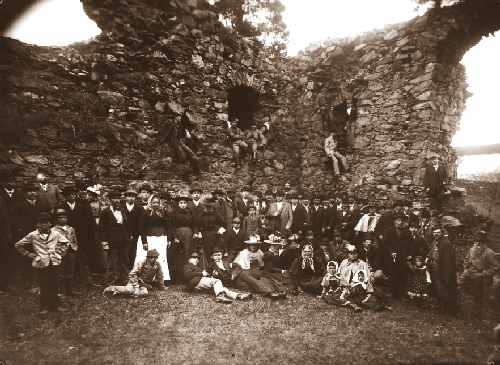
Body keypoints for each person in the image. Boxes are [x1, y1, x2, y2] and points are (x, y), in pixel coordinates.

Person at [15, 212, 70, 314]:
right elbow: (18, 245)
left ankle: (55, 305)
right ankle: (44, 306)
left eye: (46, 222)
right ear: (37, 224)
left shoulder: (56, 234)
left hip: (54, 262)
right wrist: (28, 254)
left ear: (50, 224)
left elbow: (66, 243)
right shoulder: (33, 235)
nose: (44, 225)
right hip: (41, 263)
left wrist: (60, 253)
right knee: (44, 284)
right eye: (41, 223)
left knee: (54, 283)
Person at [183, 252, 251, 303]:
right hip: (195, 282)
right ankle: (220, 297)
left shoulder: (197, 267)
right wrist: (201, 273)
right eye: (194, 258)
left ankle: (238, 296)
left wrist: (210, 276)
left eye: (197, 258)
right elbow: (187, 275)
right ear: (188, 259)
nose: (196, 259)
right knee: (217, 281)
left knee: (221, 287)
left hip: (198, 285)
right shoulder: (187, 266)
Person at [459, 231, 500, 312]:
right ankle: (462, 304)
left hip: (481, 275)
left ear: (484, 243)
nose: (477, 244)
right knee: (459, 284)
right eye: (476, 241)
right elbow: (466, 259)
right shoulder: (472, 249)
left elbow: (496, 266)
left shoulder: (489, 252)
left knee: (478, 294)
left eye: (480, 242)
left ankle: (478, 310)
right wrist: (466, 268)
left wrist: (484, 273)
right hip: (469, 272)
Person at [136, 194, 172, 285]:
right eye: (153, 202)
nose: (155, 204)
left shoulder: (163, 212)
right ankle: (145, 278)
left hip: (161, 238)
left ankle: (162, 278)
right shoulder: (145, 212)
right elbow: (141, 227)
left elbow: (168, 226)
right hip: (148, 238)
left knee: (161, 257)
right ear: (150, 202)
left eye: (157, 202)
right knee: (146, 257)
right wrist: (144, 241)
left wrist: (169, 239)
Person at [98, 190, 130, 285]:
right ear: (110, 200)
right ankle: (110, 281)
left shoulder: (123, 210)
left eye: (118, 198)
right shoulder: (105, 212)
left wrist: (128, 236)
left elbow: (127, 224)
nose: (116, 200)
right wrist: (104, 242)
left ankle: (124, 279)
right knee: (112, 261)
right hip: (111, 241)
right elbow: (101, 228)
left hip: (123, 240)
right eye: (114, 198)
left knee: (124, 260)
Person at [426, 227, 459, 315]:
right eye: (434, 232)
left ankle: (448, 309)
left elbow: (448, 261)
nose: (435, 234)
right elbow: (430, 253)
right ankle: (440, 305)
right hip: (434, 269)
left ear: (442, 233)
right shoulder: (434, 242)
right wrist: (428, 260)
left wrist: (446, 275)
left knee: (444, 289)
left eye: (438, 232)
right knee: (437, 288)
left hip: (442, 270)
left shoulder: (446, 243)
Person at [52, 206, 82, 297]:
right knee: (60, 273)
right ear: (56, 219)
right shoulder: (53, 230)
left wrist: (75, 247)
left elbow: (74, 239)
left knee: (70, 272)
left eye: (65, 217)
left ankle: (70, 290)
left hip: (71, 252)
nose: (63, 219)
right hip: (60, 253)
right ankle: (60, 292)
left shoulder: (70, 229)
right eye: (60, 218)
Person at [170, 194, 193, 282]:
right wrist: (175, 237)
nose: (183, 204)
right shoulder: (174, 212)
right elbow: (172, 226)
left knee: (187, 254)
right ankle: (176, 278)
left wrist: (194, 233)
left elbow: (193, 223)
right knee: (177, 255)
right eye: (181, 203)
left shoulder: (190, 212)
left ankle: (186, 277)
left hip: (188, 234)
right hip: (178, 234)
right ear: (178, 204)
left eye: (185, 203)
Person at [122, 188, 145, 270]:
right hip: (122, 235)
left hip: (135, 236)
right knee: (123, 255)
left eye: (133, 196)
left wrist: (143, 239)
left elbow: (141, 224)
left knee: (132, 254)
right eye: (129, 196)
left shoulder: (139, 208)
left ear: (135, 198)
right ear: (125, 197)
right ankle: (123, 274)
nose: (131, 198)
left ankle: (131, 273)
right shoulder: (121, 207)